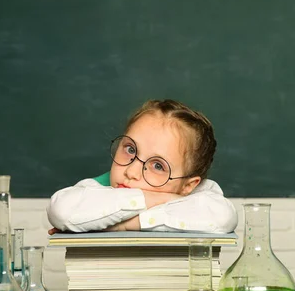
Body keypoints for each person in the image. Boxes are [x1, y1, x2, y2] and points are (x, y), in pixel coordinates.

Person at [47, 99, 238, 234]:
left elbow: (223, 217)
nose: (131, 172)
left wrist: (124, 225)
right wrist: (158, 197)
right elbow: (61, 211)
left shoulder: (202, 194)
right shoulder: (95, 189)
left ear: (188, 186)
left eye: (157, 165)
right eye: (130, 149)